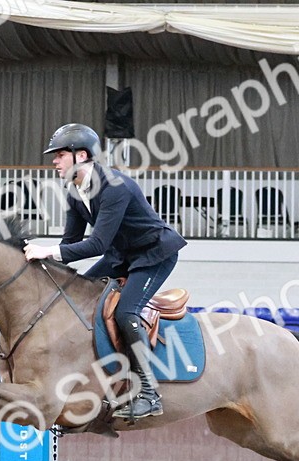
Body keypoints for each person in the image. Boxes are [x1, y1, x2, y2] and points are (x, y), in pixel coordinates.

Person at [24, 123, 187, 419]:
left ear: (81, 155)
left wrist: (47, 250)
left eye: (60, 155)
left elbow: (97, 244)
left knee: (126, 311)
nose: (54, 161)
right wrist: (39, 267)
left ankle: (149, 393)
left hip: (153, 254)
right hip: (121, 256)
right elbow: (70, 244)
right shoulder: (75, 192)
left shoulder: (114, 186)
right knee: (78, 293)